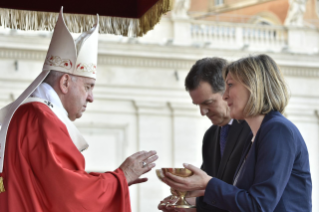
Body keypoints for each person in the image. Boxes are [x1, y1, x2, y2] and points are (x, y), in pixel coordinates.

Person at [0, 8, 157, 212]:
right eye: (88, 87)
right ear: (65, 82)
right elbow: (70, 195)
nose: (91, 97)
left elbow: (52, 186)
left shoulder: (27, 114)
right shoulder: (42, 119)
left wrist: (114, 182)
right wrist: (121, 178)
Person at [161, 54, 312, 211]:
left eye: (230, 85)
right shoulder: (260, 133)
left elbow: (259, 205)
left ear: (253, 86)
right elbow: (242, 201)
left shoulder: (278, 130)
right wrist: (194, 207)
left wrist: (207, 183)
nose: (225, 96)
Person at [158, 58, 251, 212]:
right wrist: (185, 196)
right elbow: (207, 190)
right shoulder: (211, 135)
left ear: (227, 92)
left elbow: (252, 198)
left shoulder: (255, 130)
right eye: (198, 105)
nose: (202, 112)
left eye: (208, 103)